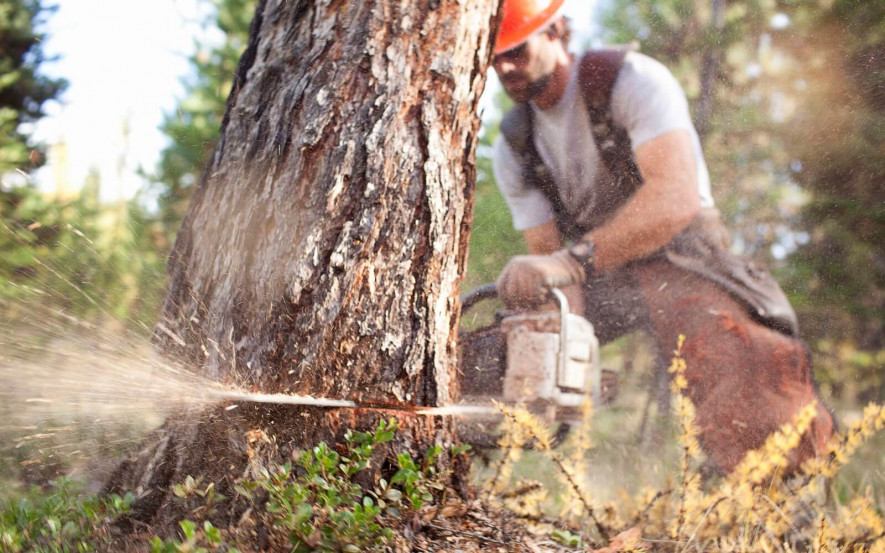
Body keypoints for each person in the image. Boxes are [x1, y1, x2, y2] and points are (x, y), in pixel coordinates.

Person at [489, 0, 833, 473]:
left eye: (515, 50)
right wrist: (554, 345)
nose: (504, 66)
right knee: (506, 345)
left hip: (683, 253)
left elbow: (675, 198)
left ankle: (776, 492)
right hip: (599, 270)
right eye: (493, 56)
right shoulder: (513, 147)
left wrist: (570, 263)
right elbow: (551, 266)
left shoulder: (631, 80)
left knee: (738, 359)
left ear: (555, 32)